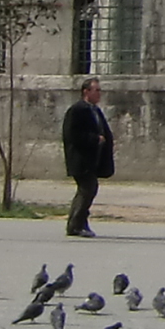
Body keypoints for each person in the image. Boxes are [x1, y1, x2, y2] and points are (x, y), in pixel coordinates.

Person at [61, 79, 114, 238]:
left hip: (92, 160)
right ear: (86, 92)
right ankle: (75, 225)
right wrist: (94, 139)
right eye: (96, 90)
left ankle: (79, 223)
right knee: (87, 189)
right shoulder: (77, 110)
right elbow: (72, 135)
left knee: (87, 190)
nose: (99, 94)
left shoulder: (94, 110)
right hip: (81, 159)